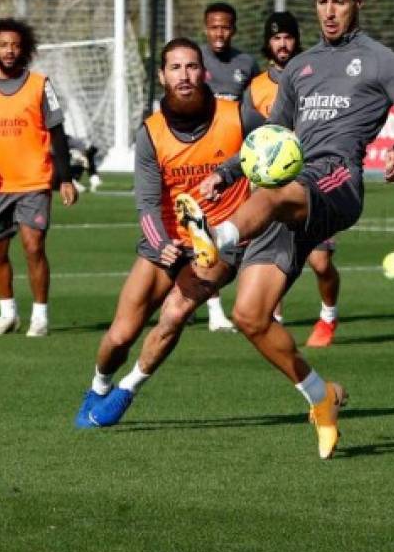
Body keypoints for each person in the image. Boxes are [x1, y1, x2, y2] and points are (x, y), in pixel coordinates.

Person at [189, 0, 394, 460]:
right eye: (322, 2)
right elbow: (269, 140)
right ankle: (321, 397)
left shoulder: (380, 60)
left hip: (337, 183)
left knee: (276, 194)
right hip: (288, 193)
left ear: (358, 2)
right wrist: (225, 173)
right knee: (250, 315)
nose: (329, 12)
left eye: (340, 2)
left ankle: (214, 239)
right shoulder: (300, 68)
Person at [74, 37, 262, 427]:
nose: (185, 75)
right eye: (175, 68)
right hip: (165, 239)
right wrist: (161, 245)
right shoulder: (151, 133)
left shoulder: (238, 115)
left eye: (192, 66)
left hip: (220, 241)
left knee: (176, 313)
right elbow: (145, 203)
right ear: (162, 76)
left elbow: (271, 149)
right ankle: (99, 385)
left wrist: (231, 173)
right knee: (120, 336)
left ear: (204, 72)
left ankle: (127, 390)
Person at [0, 17, 78, 338]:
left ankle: (40, 317)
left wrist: (65, 178)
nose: (9, 51)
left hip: (34, 182)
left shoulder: (40, 84)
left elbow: (57, 132)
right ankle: (7, 314)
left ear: (23, 49)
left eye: (15, 45)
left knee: (33, 245)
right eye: (3, 45)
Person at [243, 11, 342, 347]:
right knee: (271, 255)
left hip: (312, 179)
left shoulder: (313, 74)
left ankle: (328, 315)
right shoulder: (255, 87)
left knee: (320, 261)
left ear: (296, 39)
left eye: (287, 37)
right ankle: (274, 321)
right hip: (269, 186)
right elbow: (249, 136)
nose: (282, 44)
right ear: (267, 43)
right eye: (276, 38)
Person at [199, 2, 261, 332]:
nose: (219, 33)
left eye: (225, 27)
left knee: (247, 229)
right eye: (213, 27)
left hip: (240, 160)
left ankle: (251, 303)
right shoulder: (196, 61)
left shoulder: (246, 64)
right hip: (205, 158)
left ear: (233, 29)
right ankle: (213, 309)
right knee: (207, 229)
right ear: (205, 28)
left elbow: (253, 106)